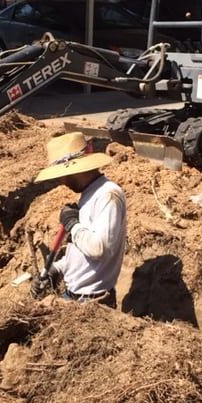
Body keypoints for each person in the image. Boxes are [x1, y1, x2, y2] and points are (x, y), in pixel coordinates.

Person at [30, 130, 126, 308]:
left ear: (75, 168)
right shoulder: (89, 195)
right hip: (74, 296)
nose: (61, 181)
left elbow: (100, 249)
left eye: (62, 175)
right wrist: (55, 269)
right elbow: (82, 254)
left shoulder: (107, 195)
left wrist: (73, 225)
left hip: (93, 302)